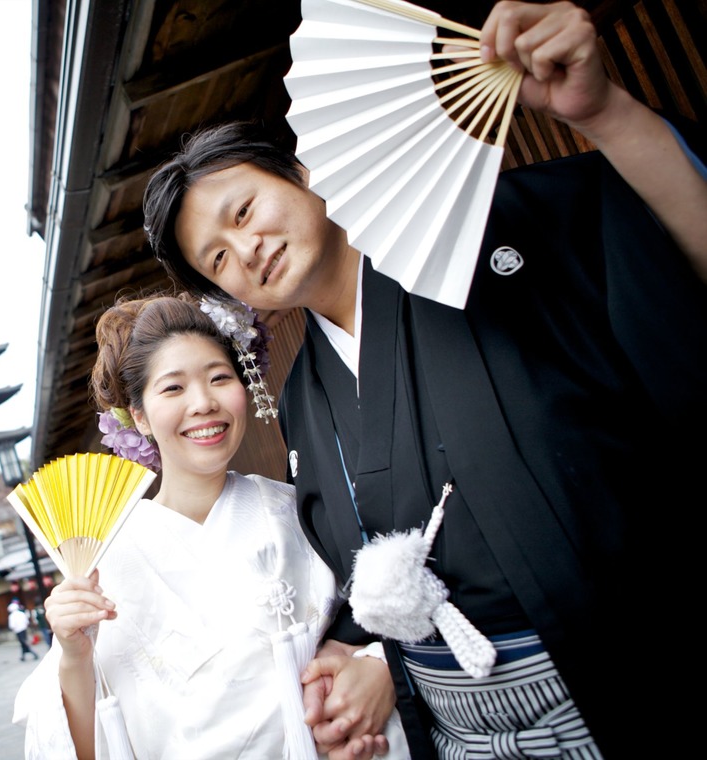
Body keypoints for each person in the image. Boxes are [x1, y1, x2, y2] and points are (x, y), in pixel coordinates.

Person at [141, 2, 707, 758]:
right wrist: (358, 655)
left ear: (303, 174)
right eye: (217, 259)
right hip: (459, 730)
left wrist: (608, 116)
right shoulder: (306, 396)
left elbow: (683, 294)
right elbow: (363, 577)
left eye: (245, 211)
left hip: (623, 685)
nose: (246, 250)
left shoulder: (488, 237)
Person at [12, 293, 407, 759]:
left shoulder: (298, 510)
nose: (203, 403)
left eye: (219, 378)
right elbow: (85, 746)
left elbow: (374, 630)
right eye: (173, 388)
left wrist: (370, 672)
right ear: (138, 416)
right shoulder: (105, 556)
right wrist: (74, 654)